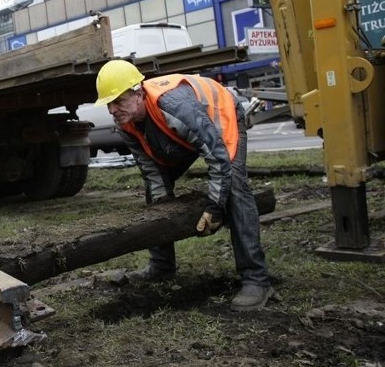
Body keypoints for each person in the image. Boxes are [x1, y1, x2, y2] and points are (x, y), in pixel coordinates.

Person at [95, 59, 273, 312]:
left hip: (221, 118)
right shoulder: (125, 123)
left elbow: (217, 157)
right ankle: (162, 266)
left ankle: (257, 279)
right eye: (109, 104)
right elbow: (151, 171)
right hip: (184, 133)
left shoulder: (175, 106)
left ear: (138, 93)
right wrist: (161, 205)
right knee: (155, 192)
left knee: (234, 187)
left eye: (119, 101)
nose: (113, 109)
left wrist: (214, 207)